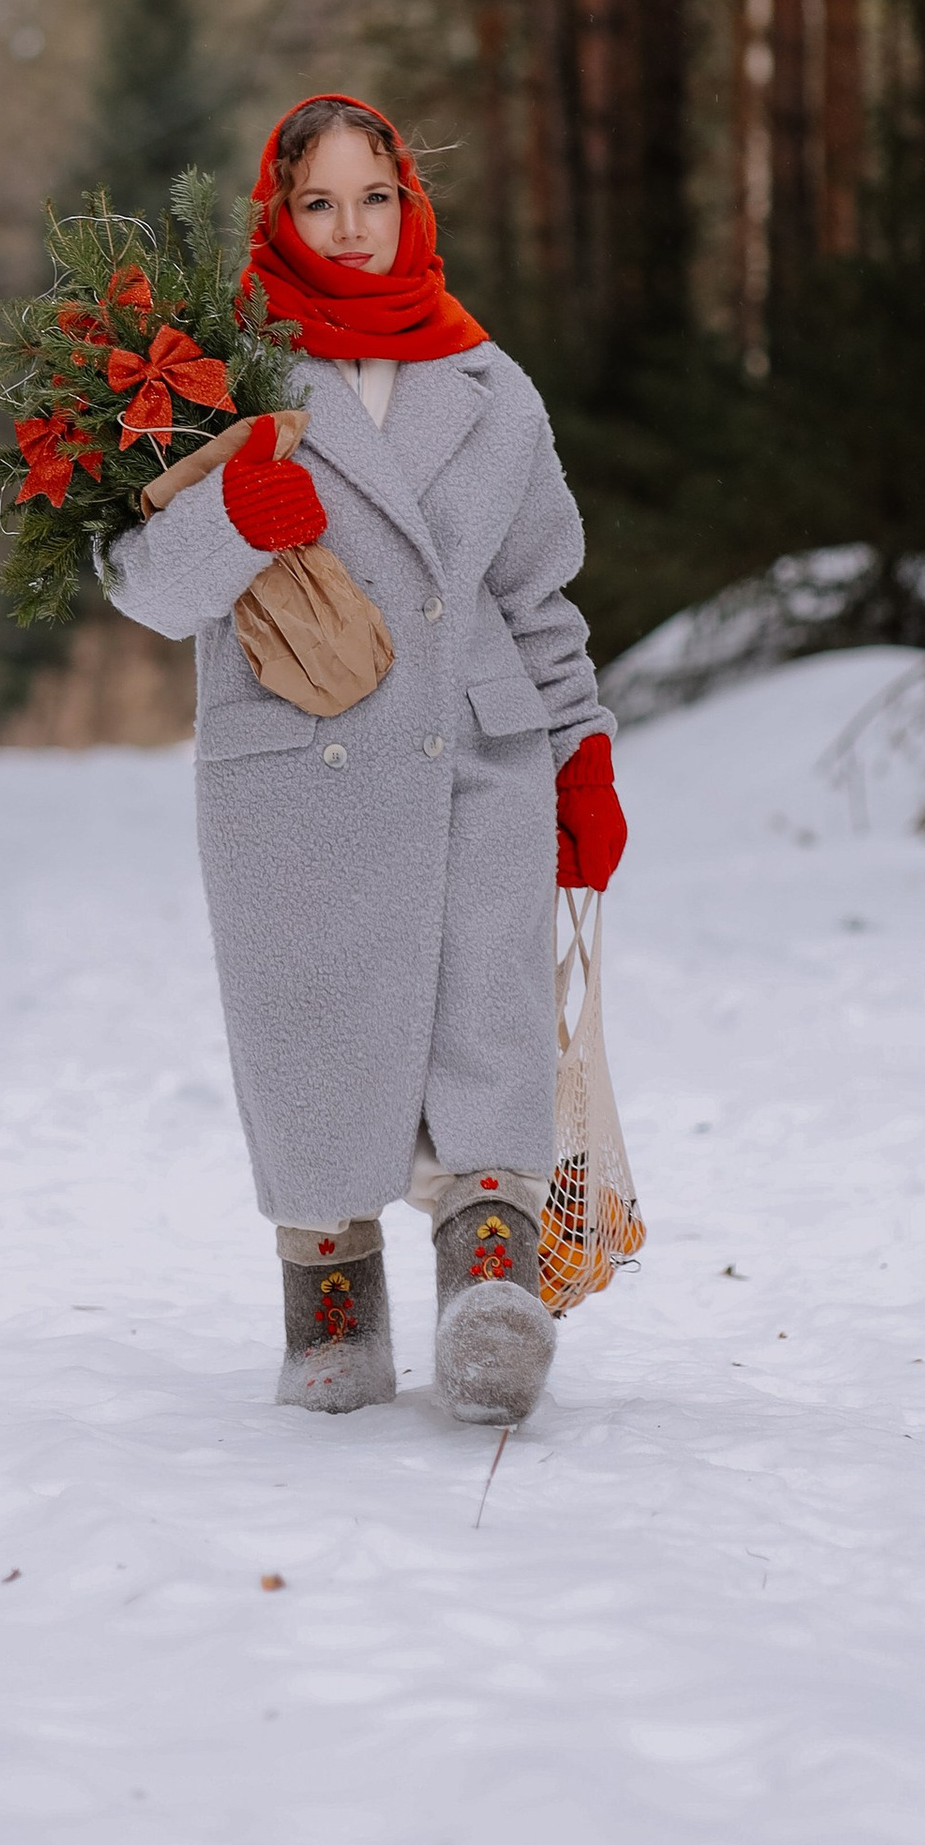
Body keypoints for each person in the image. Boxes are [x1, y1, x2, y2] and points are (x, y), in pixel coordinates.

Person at [104, 94, 628, 1424]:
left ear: (412, 205)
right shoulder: (222, 375)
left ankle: (490, 1301)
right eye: (322, 204)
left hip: (477, 757)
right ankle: (331, 1300)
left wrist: (582, 758)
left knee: (488, 1023)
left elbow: (540, 596)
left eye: (375, 200)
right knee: (317, 1038)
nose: (352, 231)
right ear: (281, 214)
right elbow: (140, 583)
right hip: (299, 767)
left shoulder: (493, 390)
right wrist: (232, 513)